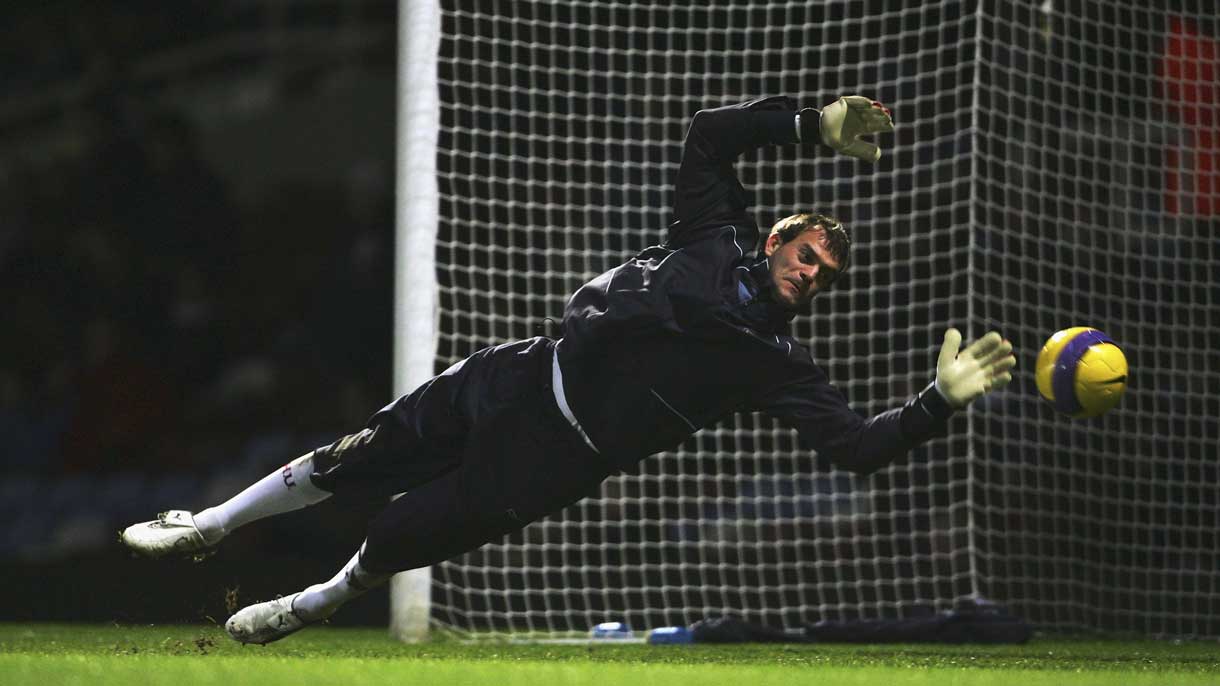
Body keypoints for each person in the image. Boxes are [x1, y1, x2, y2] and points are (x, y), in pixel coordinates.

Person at [121, 94, 1016, 644]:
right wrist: (812, 124)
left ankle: (316, 602)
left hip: (556, 457)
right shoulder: (715, 234)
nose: (810, 273)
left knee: (400, 537)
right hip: (518, 372)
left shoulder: (774, 363)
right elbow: (708, 135)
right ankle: (210, 525)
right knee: (358, 453)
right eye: (807, 253)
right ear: (777, 236)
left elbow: (856, 448)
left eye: (824, 274)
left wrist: (936, 401)